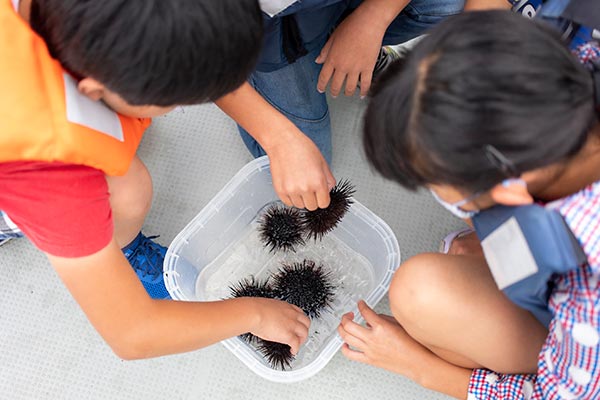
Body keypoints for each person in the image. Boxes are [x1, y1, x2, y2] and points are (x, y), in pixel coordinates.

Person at [0, 0, 309, 360]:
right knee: (130, 192)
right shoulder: (52, 177)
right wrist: (254, 313)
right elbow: (132, 333)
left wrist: (279, 137)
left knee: (127, 182)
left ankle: (125, 244)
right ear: (94, 89)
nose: (178, 109)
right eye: (171, 102)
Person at [345, 10, 600, 399]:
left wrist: (416, 364)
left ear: (513, 192)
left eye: (429, 177)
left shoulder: (589, 296)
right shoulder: (582, 58)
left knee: (419, 295)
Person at [215, 0, 464, 212]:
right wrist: (280, 139)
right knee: (310, 173)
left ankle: (351, 45)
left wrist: (373, 18)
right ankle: (249, 70)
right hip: (264, 36)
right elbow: (187, 55)